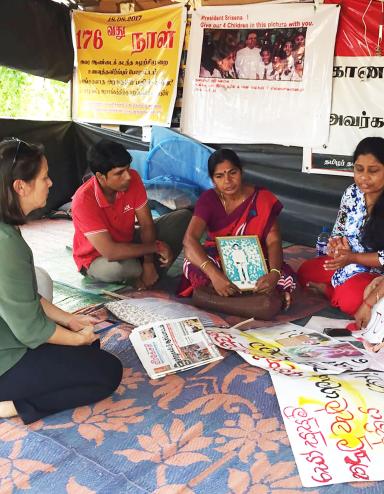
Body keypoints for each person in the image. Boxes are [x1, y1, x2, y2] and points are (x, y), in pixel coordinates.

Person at [0, 138, 122, 424]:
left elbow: (26, 295)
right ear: (20, 186)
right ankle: (13, 406)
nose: (51, 183)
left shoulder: (7, 233)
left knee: (89, 346)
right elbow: (31, 330)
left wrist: (70, 321)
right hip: (5, 360)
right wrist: (76, 340)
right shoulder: (6, 244)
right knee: (106, 373)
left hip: (10, 335)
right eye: (44, 178)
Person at [182, 148, 296, 307]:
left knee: (283, 275)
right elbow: (189, 239)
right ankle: (257, 299)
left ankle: (221, 297)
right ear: (213, 180)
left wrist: (274, 274)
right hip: (218, 256)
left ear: (241, 172)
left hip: (256, 258)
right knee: (191, 261)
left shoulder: (262, 197)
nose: (227, 181)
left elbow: (274, 241)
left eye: (232, 173)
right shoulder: (209, 199)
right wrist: (215, 275)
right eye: (219, 176)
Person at [72, 140, 192, 286]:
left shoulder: (133, 179)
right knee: (125, 267)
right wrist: (156, 248)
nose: (128, 176)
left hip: (128, 243)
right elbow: (110, 252)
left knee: (182, 218)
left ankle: (148, 272)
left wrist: (148, 262)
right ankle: (142, 275)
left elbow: (147, 225)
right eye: (119, 173)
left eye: (128, 169)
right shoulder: (83, 200)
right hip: (97, 258)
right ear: (100, 177)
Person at [298, 137, 384, 316]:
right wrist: (336, 247)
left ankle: (330, 292)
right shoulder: (352, 193)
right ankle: (336, 291)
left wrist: (353, 258)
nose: (364, 177)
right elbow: (339, 230)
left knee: (351, 301)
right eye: (359, 169)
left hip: (375, 274)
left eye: (373, 171)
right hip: (346, 263)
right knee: (305, 271)